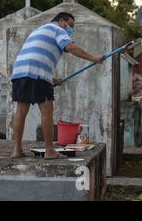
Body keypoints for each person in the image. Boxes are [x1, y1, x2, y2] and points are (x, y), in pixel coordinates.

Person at [10, 12, 103, 159]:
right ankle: (49, 150)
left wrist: (52, 80)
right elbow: (70, 47)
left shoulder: (39, 30)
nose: (71, 29)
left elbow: (35, 57)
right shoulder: (58, 29)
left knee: (20, 111)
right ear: (62, 21)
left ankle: (17, 150)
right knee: (47, 111)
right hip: (38, 73)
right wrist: (93, 58)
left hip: (19, 71)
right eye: (70, 25)